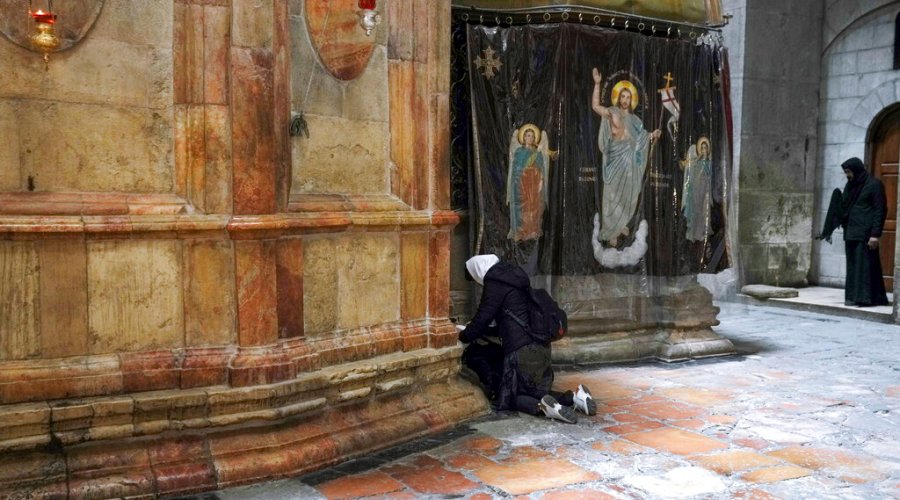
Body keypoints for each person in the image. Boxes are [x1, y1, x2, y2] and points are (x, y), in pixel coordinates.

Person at [457, 254, 596, 423]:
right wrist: (485, 331)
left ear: (478, 271)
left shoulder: (495, 283)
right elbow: (512, 319)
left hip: (520, 351)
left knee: (509, 397)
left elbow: (481, 319)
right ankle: (574, 398)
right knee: (534, 391)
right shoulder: (515, 279)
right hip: (541, 348)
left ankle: (543, 408)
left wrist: (462, 335)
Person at [591, 68, 662, 247]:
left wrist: (652, 134)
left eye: (628, 97)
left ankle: (620, 224)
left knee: (626, 196)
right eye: (622, 96)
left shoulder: (636, 121)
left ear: (632, 100)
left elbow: (641, 140)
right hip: (614, 160)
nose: (625, 100)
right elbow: (595, 107)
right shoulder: (612, 112)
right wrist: (598, 84)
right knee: (612, 195)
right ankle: (610, 230)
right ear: (618, 98)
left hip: (629, 163)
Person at [817, 157, 889, 307]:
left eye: (849, 172)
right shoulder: (851, 186)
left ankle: (868, 298)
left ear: (857, 169)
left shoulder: (874, 185)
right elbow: (845, 206)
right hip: (850, 232)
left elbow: (880, 210)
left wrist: (875, 235)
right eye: (846, 172)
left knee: (866, 266)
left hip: (866, 234)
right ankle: (853, 297)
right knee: (853, 266)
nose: (847, 175)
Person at [506, 124, 549, 241]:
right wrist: (525, 171)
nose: (529, 138)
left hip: (534, 186)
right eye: (527, 136)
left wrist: (537, 174)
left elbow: (542, 170)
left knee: (534, 208)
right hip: (522, 184)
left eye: (531, 136)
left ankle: (532, 230)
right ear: (523, 138)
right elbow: (516, 169)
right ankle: (521, 230)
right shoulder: (519, 151)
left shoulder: (538, 152)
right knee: (523, 208)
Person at [680, 137, 713, 242]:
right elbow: (691, 174)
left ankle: (701, 232)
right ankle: (693, 233)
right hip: (696, 190)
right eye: (702, 148)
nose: (703, 150)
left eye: (705, 148)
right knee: (696, 210)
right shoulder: (697, 162)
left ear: (707, 150)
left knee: (703, 211)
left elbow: (709, 174)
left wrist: (703, 162)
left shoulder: (708, 162)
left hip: (704, 189)